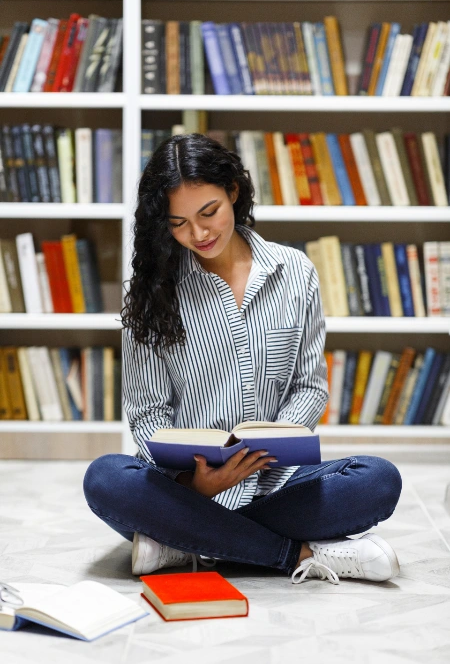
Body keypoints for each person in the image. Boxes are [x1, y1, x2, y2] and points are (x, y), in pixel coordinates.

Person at [83, 133, 402, 586]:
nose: (198, 234)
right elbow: (147, 412)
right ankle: (297, 553)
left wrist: (269, 446)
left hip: (278, 482)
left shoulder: (295, 272)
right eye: (178, 222)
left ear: (233, 191)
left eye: (208, 212)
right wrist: (196, 484)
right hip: (185, 489)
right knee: (107, 479)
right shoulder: (154, 292)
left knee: (378, 480)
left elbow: (309, 387)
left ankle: (182, 542)